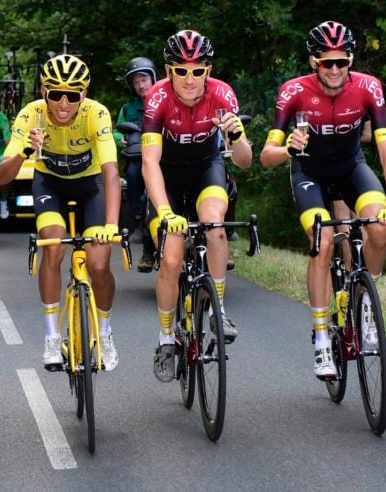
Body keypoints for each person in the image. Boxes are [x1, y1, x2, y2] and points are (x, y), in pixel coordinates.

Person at [259, 21, 386, 379]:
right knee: (322, 243)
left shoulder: (368, 87)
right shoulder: (293, 91)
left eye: (342, 61)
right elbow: (265, 154)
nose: (336, 69)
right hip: (308, 172)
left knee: (380, 229)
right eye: (328, 63)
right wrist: (287, 149)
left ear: (350, 59)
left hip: (352, 167)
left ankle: (366, 301)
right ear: (314, 62)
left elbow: (385, 149)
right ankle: (323, 336)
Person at [0, 54, 123, 371]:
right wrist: (26, 149)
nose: (63, 103)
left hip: (90, 185)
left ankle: (105, 334)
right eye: (56, 94)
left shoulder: (97, 114)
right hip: (49, 183)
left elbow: (110, 172)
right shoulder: (31, 116)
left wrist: (111, 224)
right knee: (52, 246)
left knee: (98, 262)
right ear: (44, 92)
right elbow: (3, 177)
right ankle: (52, 337)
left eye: (73, 95)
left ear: (84, 94)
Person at [142, 30, 253, 382]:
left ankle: (218, 310)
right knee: (172, 257)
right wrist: (164, 212)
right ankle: (165, 339)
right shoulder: (157, 98)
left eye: (197, 70)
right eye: (181, 71)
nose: (189, 79)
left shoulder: (222, 94)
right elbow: (149, 162)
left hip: (207, 168)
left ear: (209, 70)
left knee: (214, 226)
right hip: (168, 175)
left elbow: (245, 161)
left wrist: (236, 137)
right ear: (168, 70)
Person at [114, 56, 157, 272]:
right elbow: (115, 131)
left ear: (153, 78)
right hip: (138, 159)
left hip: (164, 158)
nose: (141, 85)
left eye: (144, 80)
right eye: (136, 82)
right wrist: (118, 139)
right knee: (132, 174)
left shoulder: (165, 98)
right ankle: (139, 219)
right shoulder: (127, 108)